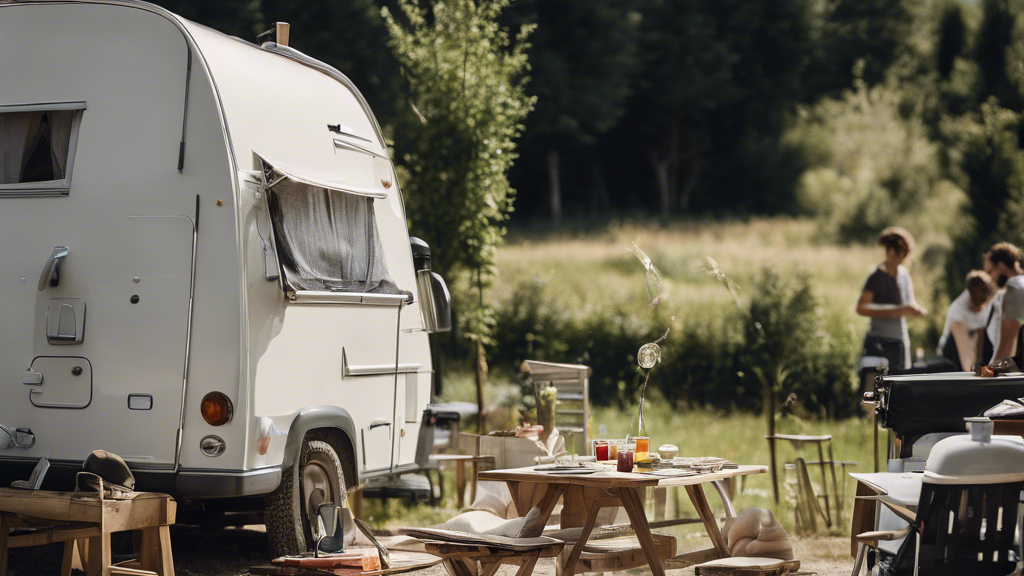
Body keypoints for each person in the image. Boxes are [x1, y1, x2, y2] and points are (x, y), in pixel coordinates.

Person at [856, 227, 927, 371]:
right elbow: (861, 308)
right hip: (879, 342)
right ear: (888, 252)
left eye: (903, 255)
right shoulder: (876, 277)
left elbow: (909, 302)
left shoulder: (904, 274)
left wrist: (915, 310)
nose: (899, 259)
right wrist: (894, 311)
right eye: (897, 254)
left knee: (898, 388)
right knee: (875, 388)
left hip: (899, 340)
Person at [937, 270, 997, 370]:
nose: (977, 309)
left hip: (972, 344)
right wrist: (972, 375)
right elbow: (964, 351)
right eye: (975, 304)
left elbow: (981, 335)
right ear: (969, 294)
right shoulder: (957, 310)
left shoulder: (988, 303)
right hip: (952, 351)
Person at [985, 242, 1024, 365]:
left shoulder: (1015, 289)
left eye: (990, 272)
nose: (990, 279)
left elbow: (1007, 344)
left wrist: (991, 371)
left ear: (1001, 266)